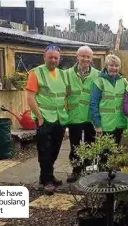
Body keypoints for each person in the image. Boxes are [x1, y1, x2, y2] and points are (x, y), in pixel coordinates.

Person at [26, 44, 68, 195]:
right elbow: (30, 98)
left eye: (56, 57)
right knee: (44, 149)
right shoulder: (35, 73)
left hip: (59, 118)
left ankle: (46, 176)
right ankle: (48, 181)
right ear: (44, 57)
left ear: (59, 59)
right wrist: (39, 117)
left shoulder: (63, 74)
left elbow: (66, 94)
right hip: (44, 118)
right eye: (50, 57)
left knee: (55, 149)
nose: (53, 60)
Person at [65, 46, 100, 183]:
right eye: (83, 56)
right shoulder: (67, 73)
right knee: (75, 145)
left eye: (88, 57)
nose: (85, 59)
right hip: (74, 116)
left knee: (91, 144)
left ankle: (89, 171)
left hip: (90, 117)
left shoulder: (97, 74)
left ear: (92, 59)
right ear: (77, 57)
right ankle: (76, 170)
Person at [90, 54, 128, 144]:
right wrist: (97, 124)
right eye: (111, 65)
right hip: (105, 126)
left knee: (116, 153)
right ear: (106, 66)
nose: (114, 68)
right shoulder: (99, 81)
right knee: (104, 154)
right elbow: (93, 104)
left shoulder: (123, 82)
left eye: (116, 66)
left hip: (119, 125)